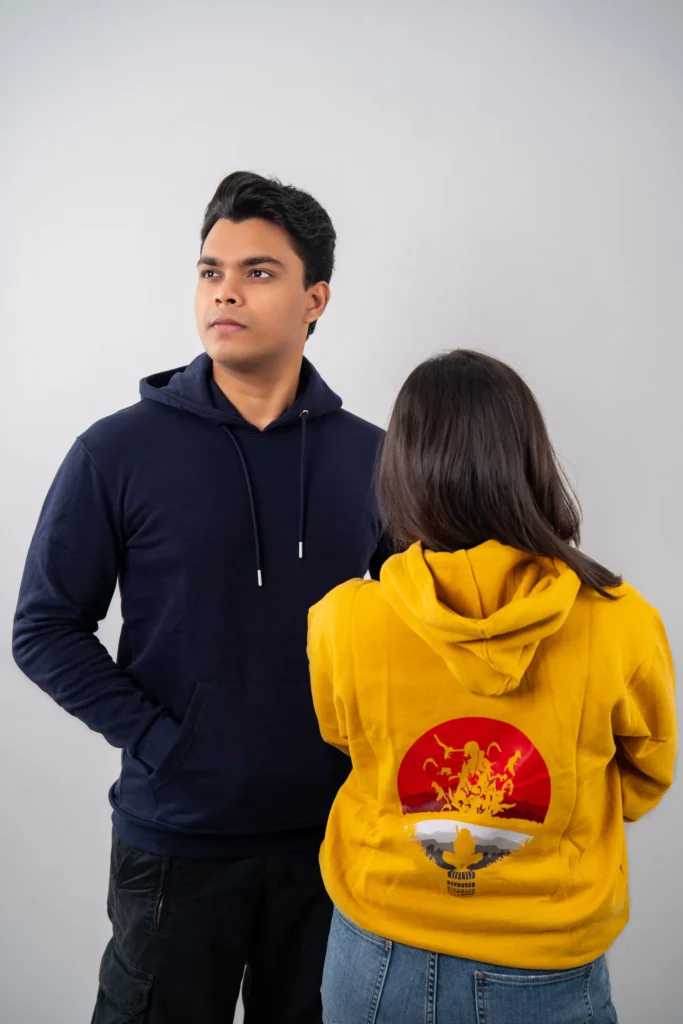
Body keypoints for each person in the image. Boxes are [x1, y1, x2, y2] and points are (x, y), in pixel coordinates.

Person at [13, 171, 389, 1024]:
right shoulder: (117, 451)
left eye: (258, 272)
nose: (225, 290)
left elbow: (430, 618)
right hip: (175, 842)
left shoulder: (374, 458)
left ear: (314, 299)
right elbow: (44, 628)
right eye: (211, 271)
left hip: (335, 841)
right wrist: (162, 741)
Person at [308, 349, 677, 1024]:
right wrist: (552, 811)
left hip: (376, 954)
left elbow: (351, 743)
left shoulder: (342, 618)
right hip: (541, 960)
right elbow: (646, 777)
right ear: (528, 460)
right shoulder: (621, 620)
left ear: (402, 469)